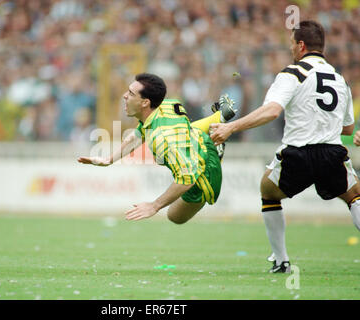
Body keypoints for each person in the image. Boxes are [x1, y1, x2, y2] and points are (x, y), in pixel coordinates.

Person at [210, 20, 360, 273]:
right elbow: (346, 128)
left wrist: (230, 128)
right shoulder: (339, 79)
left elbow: (272, 110)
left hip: (298, 152)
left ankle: (281, 261)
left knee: (268, 191)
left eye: (291, 43)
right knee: (354, 196)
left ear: (301, 45)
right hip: (332, 153)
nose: (290, 48)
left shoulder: (293, 73)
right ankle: (280, 260)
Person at [78, 73, 235, 223]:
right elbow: (138, 135)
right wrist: (109, 159)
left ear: (145, 102)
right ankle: (217, 120)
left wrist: (155, 205)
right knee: (186, 133)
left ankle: (216, 148)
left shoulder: (162, 139)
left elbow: (187, 177)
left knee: (174, 216)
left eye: (131, 94)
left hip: (203, 173)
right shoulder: (166, 105)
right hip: (196, 140)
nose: (125, 96)